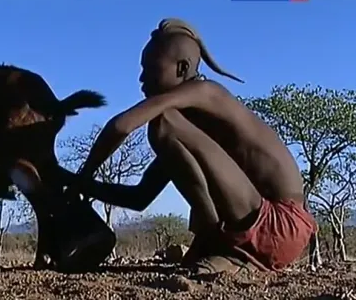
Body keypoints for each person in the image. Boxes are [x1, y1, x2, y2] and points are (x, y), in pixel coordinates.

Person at [64, 18, 317, 274]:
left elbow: (122, 126)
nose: (141, 78)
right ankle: (222, 248)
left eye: (150, 68)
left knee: (161, 120)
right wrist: (76, 182)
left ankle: (220, 246)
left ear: (182, 68)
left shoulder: (205, 92)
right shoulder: (187, 137)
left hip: (280, 225)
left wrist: (83, 175)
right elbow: (140, 197)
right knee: (164, 126)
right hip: (265, 228)